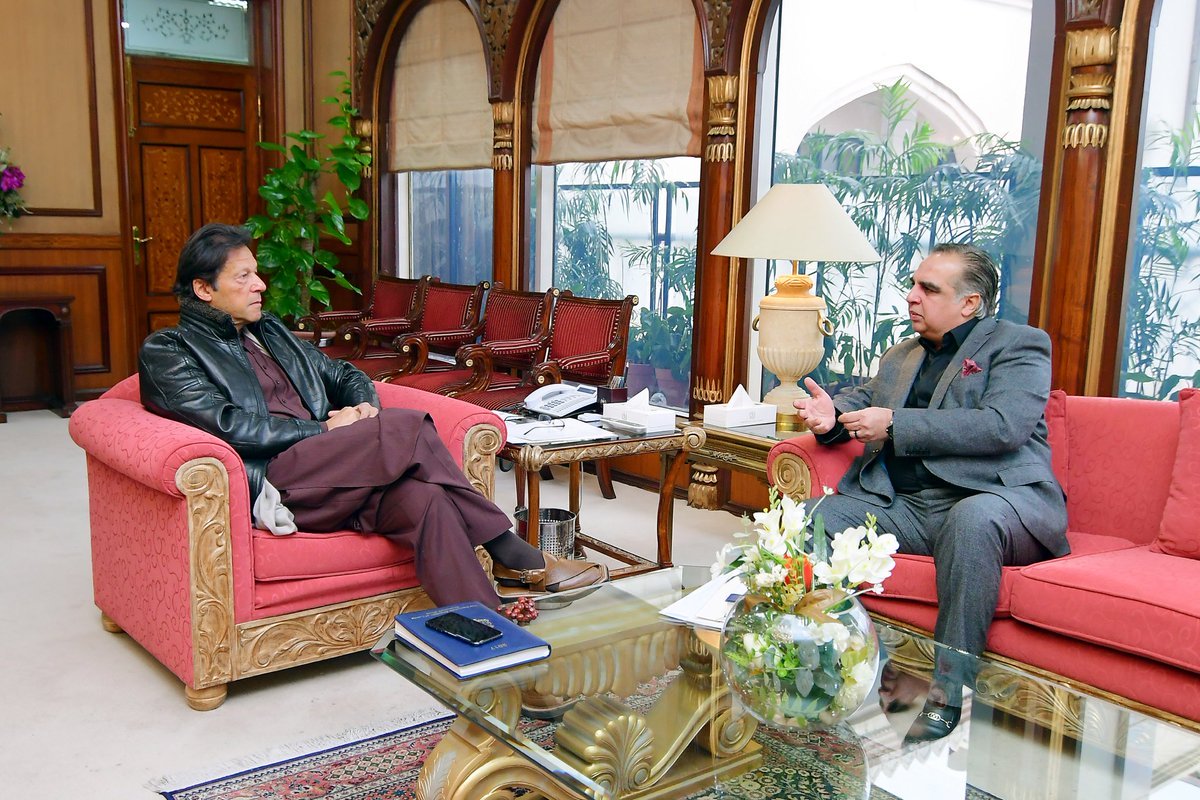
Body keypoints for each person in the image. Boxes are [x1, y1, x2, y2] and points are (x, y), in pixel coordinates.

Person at [138, 223, 608, 609]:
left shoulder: (270, 330)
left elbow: (341, 373)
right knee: (407, 425)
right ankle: (513, 552)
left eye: (257, 274)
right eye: (242, 277)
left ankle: (491, 632)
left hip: (338, 471)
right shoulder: (169, 350)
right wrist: (323, 428)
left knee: (427, 500)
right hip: (276, 478)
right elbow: (225, 424)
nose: (260, 285)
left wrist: (363, 408)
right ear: (203, 288)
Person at [793, 242, 1067, 742]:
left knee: (972, 521)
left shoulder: (1019, 345)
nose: (912, 296)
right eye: (914, 284)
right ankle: (819, 668)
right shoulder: (902, 354)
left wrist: (895, 423)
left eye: (928, 288)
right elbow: (865, 401)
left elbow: (1002, 426)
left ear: (970, 302)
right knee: (812, 517)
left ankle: (947, 693)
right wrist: (831, 418)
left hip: (996, 501)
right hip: (908, 508)